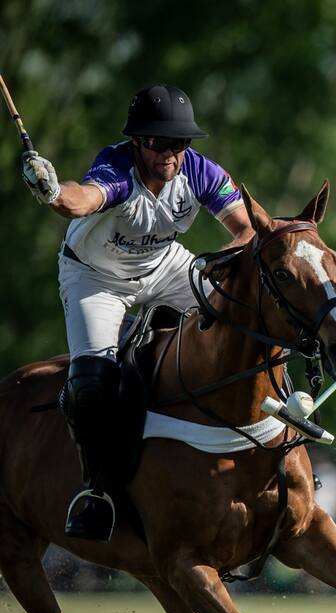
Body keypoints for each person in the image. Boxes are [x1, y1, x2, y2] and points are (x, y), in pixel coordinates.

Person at [20, 84, 254, 541]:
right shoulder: (118, 168)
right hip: (95, 277)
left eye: (180, 143)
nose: (171, 153)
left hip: (165, 265)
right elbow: (80, 199)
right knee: (91, 387)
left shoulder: (200, 173)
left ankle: (276, 435)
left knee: (239, 317)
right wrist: (50, 190)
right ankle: (96, 491)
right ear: (138, 142)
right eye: (160, 142)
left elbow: (245, 231)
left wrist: (213, 267)